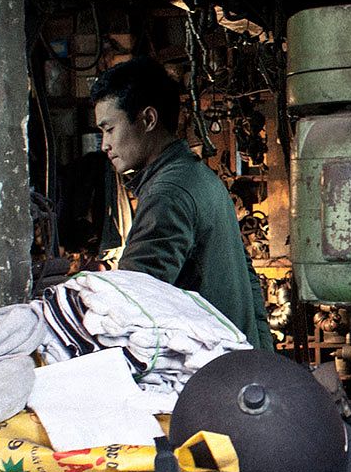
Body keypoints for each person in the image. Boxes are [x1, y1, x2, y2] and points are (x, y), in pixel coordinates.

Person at [91, 57, 274, 350]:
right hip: (236, 366)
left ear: (148, 120)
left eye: (109, 129)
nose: (104, 145)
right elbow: (250, 285)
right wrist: (264, 361)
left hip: (207, 373)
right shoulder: (199, 176)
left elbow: (130, 306)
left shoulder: (168, 192)